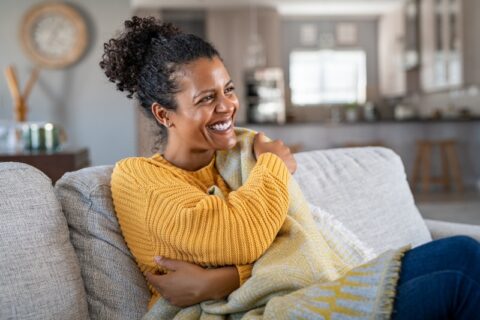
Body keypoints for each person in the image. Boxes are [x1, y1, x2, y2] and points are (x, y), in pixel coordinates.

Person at [101, 16, 480, 319]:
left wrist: (223, 279)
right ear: (164, 114)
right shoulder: (136, 176)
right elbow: (239, 235)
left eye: (229, 90)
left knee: (463, 254)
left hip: (304, 291)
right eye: (207, 98)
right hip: (250, 311)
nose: (228, 106)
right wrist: (273, 166)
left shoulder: (240, 153)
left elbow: (296, 236)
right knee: (462, 264)